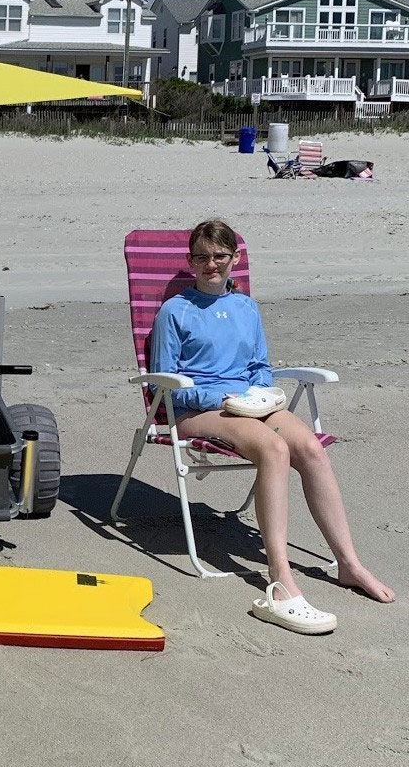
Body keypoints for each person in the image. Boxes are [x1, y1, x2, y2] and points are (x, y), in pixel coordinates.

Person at [151, 219, 394, 633]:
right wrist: (223, 399)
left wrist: (262, 394)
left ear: (235, 259)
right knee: (274, 449)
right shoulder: (175, 311)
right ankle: (280, 578)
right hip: (197, 410)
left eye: (220, 256)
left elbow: (259, 368)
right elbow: (167, 387)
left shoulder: (247, 308)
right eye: (202, 257)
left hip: (249, 403)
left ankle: (349, 564)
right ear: (190, 262)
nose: (212, 264)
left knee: (312, 450)